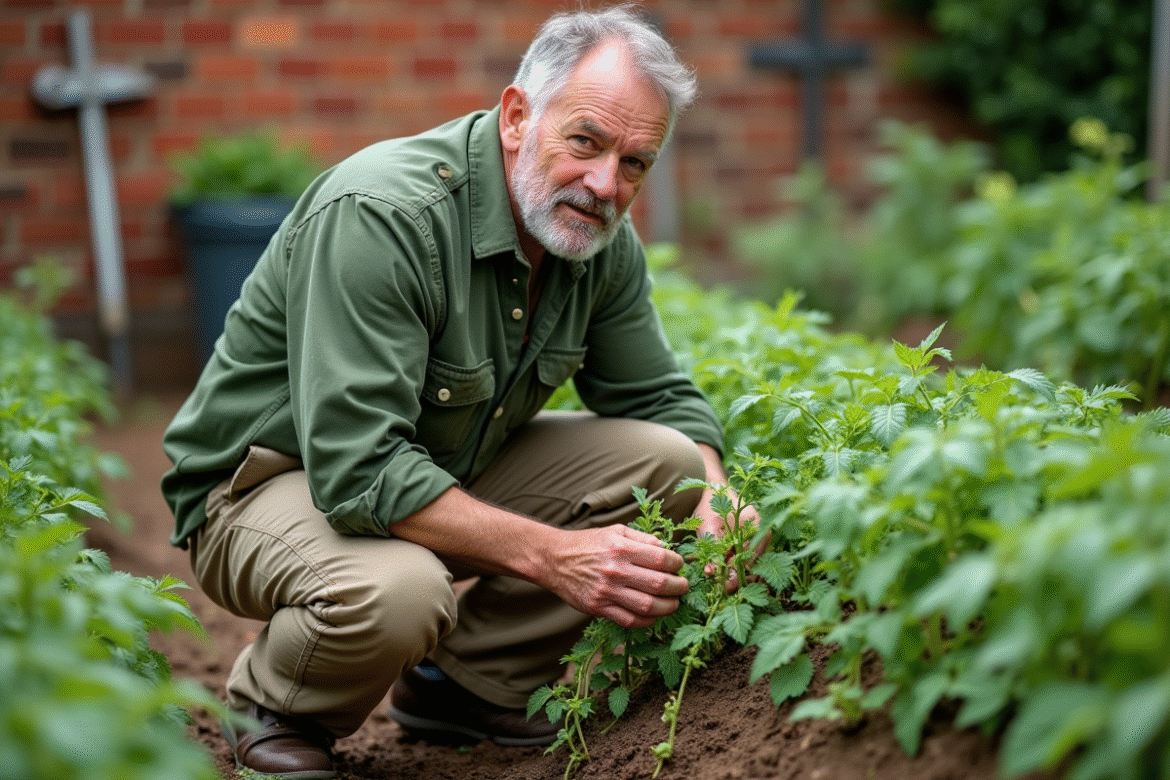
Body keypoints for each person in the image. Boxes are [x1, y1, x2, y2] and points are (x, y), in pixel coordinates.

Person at [161, 6, 758, 779]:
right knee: (401, 591)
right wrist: (557, 557)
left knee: (669, 463)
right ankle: (274, 705)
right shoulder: (384, 216)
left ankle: (461, 684)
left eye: (636, 161)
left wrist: (718, 493)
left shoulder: (594, 237)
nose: (606, 182)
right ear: (517, 116)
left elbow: (656, 394)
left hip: (431, 466)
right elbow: (359, 469)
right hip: (265, 485)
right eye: (586, 141)